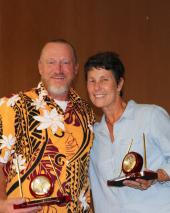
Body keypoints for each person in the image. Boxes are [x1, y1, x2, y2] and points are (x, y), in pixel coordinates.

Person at [0, 39, 95, 213]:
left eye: (65, 63)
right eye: (51, 62)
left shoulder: (87, 113)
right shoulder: (14, 106)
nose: (58, 70)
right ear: (40, 68)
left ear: (75, 69)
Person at [84, 51, 170, 213]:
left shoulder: (150, 116)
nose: (97, 87)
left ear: (119, 84)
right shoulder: (91, 135)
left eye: (104, 79)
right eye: (92, 81)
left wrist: (156, 176)